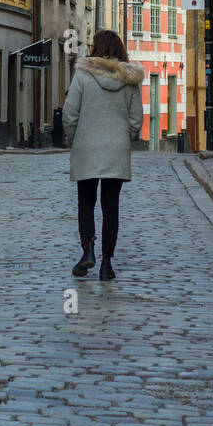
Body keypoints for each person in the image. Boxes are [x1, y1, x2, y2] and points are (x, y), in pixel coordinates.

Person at [61, 29, 144, 281]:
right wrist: (124, 139)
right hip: (116, 150)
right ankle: (107, 263)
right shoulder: (129, 80)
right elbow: (136, 119)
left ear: (95, 48)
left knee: (86, 203)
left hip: (86, 147)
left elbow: (70, 113)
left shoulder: (83, 75)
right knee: (111, 207)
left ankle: (88, 252)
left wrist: (73, 138)